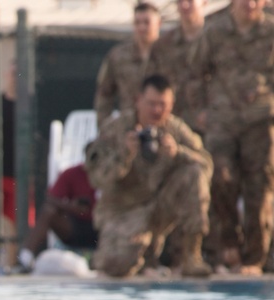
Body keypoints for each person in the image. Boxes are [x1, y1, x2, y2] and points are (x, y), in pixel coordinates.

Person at [84, 74, 213, 278]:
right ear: (138, 100)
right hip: (125, 210)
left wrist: (178, 152)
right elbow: (96, 179)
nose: (157, 110)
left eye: (163, 105)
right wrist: (124, 155)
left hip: (161, 206)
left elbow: (206, 164)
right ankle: (139, 252)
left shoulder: (175, 128)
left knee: (194, 173)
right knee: (115, 266)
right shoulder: (115, 129)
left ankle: (191, 256)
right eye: (151, 104)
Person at [191, 0, 274, 275]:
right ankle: (227, 244)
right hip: (223, 121)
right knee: (220, 178)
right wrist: (199, 110)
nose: (249, 4)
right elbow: (194, 74)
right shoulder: (214, 32)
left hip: (261, 122)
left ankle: (254, 258)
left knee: (259, 189)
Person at [18, 161, 98, 271]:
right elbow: (51, 198)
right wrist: (71, 207)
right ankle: (25, 258)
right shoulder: (72, 173)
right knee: (48, 211)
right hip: (76, 227)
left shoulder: (116, 174)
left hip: (106, 228)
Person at [94, 2, 163, 128]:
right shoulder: (118, 56)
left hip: (163, 124)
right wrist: (105, 125)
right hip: (128, 126)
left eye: (146, 22)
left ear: (159, 23)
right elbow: (104, 93)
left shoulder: (170, 55)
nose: (142, 27)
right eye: (137, 23)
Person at [152, 0, 207, 136]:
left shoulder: (218, 38)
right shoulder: (164, 44)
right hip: (173, 125)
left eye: (190, 1)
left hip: (211, 125)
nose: (184, 6)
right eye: (180, 1)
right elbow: (151, 83)